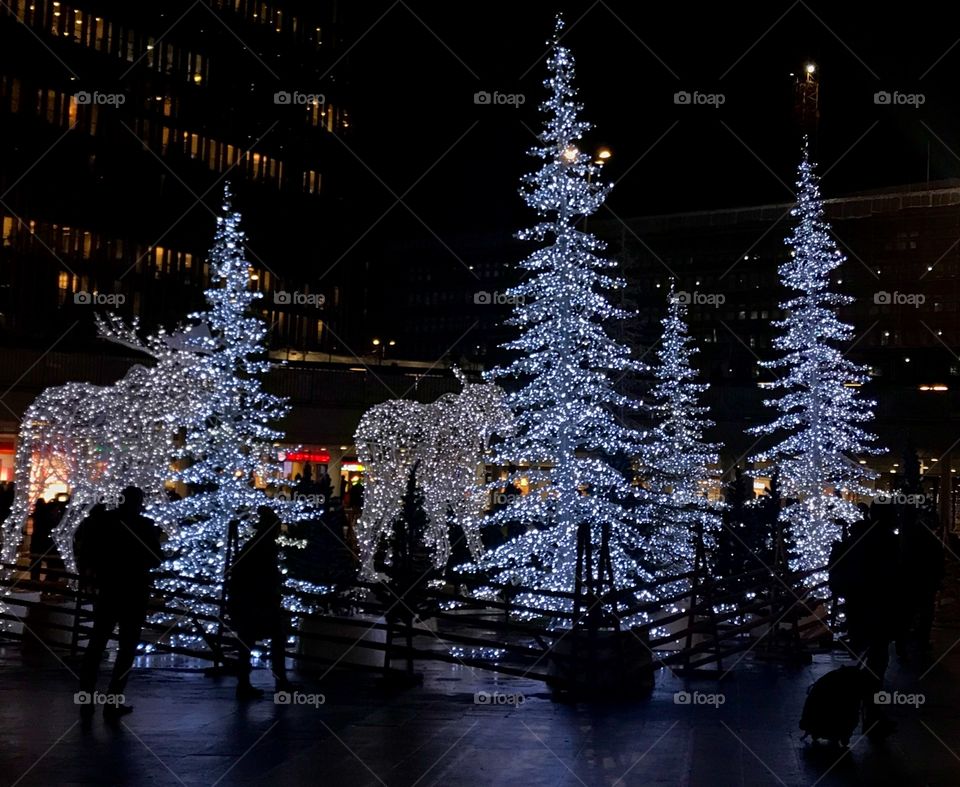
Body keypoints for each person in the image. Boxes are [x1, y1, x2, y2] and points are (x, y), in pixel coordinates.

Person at [77, 487, 162, 721]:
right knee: (126, 647)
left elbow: (89, 552)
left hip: (108, 588)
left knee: (97, 642)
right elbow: (155, 558)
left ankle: (86, 699)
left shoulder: (104, 523)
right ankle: (113, 700)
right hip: (134, 590)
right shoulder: (142, 525)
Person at [830, 504, 899, 739]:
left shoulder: (856, 538)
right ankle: (869, 713)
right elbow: (893, 577)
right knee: (876, 664)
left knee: (868, 660)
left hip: (858, 609)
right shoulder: (885, 542)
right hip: (877, 610)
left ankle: (860, 712)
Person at [227, 506, 292, 700]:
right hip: (258, 602)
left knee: (248, 642)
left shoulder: (255, 545)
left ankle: (246, 682)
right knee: (275, 638)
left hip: (250, 601)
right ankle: (278, 681)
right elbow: (267, 575)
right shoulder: (264, 547)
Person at [30, 498, 56, 583]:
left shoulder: (36, 514)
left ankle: (34, 579)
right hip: (44, 540)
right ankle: (49, 579)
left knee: (36, 561)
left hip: (36, 540)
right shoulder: (47, 514)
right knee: (49, 560)